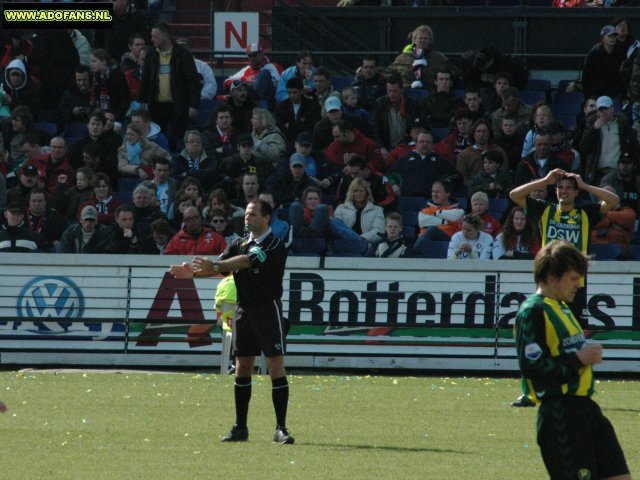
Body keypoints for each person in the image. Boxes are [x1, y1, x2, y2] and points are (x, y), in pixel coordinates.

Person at [170, 200, 294, 445]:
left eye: (253, 214)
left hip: (267, 310)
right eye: (246, 213)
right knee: (242, 368)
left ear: (267, 218)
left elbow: (244, 262)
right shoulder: (238, 242)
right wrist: (193, 273)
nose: (247, 218)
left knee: (275, 367)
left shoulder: (274, 245)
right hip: (242, 311)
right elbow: (221, 268)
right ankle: (241, 427)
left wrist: (215, 265)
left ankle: (281, 428)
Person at [514, 240, 631, 480]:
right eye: (573, 278)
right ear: (552, 276)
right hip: (561, 414)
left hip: (586, 409)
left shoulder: (562, 308)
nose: (579, 284)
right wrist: (578, 359)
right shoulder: (533, 311)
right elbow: (532, 368)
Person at [509, 169, 619, 331]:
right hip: (550, 281)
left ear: (576, 192)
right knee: (549, 330)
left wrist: (584, 185)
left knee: (576, 331)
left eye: (568, 188)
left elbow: (613, 200)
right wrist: (545, 181)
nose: (564, 191)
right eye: (560, 187)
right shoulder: (545, 210)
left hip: (576, 284)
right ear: (556, 191)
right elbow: (514, 195)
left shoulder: (586, 213)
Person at [139, 23, 201, 150]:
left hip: (178, 104)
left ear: (165, 36)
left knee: (176, 137)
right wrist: (142, 100)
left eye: (155, 36)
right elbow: (145, 80)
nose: (151, 39)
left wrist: (193, 105)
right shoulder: (151, 54)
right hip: (156, 105)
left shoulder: (183, 54)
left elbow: (193, 82)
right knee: (156, 137)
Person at [579, 95, 640, 186]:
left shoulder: (623, 125)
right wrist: (594, 129)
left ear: (612, 108)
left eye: (606, 108)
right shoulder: (591, 125)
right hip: (598, 172)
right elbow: (584, 147)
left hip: (619, 172)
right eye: (601, 109)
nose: (604, 112)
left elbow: (634, 147)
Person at [387, 131, 461, 198]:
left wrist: (445, 183)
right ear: (416, 144)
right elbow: (390, 174)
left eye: (428, 142)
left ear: (433, 145)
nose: (425, 144)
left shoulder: (440, 161)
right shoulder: (404, 160)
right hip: (407, 199)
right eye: (422, 142)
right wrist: (394, 185)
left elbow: (456, 176)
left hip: (431, 201)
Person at [371, 73, 425, 162]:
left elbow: (418, 129)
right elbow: (376, 127)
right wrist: (381, 147)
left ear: (402, 90)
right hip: (387, 147)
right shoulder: (380, 103)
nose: (392, 94)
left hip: (407, 147)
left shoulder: (413, 105)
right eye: (389, 91)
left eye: (395, 91)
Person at [332, 177, 385, 251]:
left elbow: (378, 232)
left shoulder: (377, 210)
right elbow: (338, 229)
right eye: (356, 191)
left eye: (361, 191)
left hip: (365, 244)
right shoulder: (341, 208)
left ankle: (357, 239)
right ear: (351, 193)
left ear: (367, 193)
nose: (359, 193)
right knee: (334, 222)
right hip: (346, 243)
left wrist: (360, 239)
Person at [223, 42, 281, 109]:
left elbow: (284, 83)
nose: (252, 58)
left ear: (261, 54)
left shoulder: (273, 66)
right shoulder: (246, 70)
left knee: (265, 73)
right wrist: (242, 84)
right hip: (251, 102)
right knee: (241, 88)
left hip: (271, 100)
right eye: (250, 56)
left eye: (255, 55)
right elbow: (226, 82)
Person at [414, 179, 465, 250]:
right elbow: (422, 222)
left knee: (432, 229)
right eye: (433, 191)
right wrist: (446, 221)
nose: (434, 195)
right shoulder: (427, 207)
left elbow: (456, 218)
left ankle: (414, 251)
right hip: (425, 242)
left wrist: (434, 215)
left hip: (447, 241)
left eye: (438, 192)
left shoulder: (457, 209)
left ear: (447, 194)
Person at [456, 119, 508, 187]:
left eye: (484, 131)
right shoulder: (464, 155)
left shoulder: (498, 151)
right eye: (478, 131)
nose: (481, 134)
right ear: (473, 134)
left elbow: (504, 173)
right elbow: (463, 179)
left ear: (489, 133)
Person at [581, 25, 627, 100]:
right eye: (609, 36)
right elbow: (586, 76)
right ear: (603, 38)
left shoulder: (621, 53)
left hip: (615, 93)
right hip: (596, 94)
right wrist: (588, 96)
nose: (612, 38)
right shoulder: (594, 54)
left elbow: (624, 75)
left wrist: (624, 96)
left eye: (614, 36)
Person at [274, 77, 321, 146]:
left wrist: (290, 126)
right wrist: (300, 125)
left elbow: (312, 127)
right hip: (287, 142)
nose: (292, 96)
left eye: (294, 92)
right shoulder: (282, 106)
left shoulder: (312, 106)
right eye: (289, 93)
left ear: (301, 91)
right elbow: (280, 126)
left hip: (306, 142)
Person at [88, 49, 130, 122]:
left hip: (115, 115)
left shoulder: (117, 76)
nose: (91, 64)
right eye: (91, 61)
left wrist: (119, 120)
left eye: (94, 61)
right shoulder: (93, 76)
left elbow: (125, 99)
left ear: (104, 62)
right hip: (98, 114)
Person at [24, 187, 67, 252]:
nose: (36, 204)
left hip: (48, 250)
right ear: (29, 202)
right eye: (34, 201)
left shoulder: (55, 217)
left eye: (39, 201)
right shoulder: (21, 216)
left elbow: (64, 235)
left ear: (45, 202)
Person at [58, 65, 92, 129]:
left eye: (84, 80)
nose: (82, 83)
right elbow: (61, 113)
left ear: (89, 78)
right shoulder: (69, 93)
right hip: (73, 126)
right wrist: (72, 111)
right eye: (78, 80)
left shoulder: (96, 92)